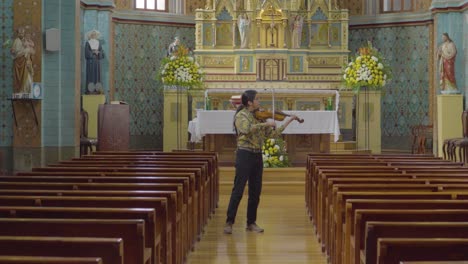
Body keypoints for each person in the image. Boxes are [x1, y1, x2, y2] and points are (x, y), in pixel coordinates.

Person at [224, 90, 298, 234]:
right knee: (238, 189)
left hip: (257, 155)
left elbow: (273, 134)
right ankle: (229, 222)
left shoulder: (260, 116)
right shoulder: (241, 115)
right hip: (244, 154)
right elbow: (245, 129)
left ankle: (251, 222)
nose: (260, 101)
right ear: (249, 102)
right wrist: (265, 124)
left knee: (255, 191)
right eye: (257, 99)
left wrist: (288, 121)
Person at [10, 27, 35, 94]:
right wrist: (22, 51)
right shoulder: (16, 41)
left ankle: (27, 91)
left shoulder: (26, 40)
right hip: (19, 62)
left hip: (26, 62)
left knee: (28, 77)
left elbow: (32, 50)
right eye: (20, 33)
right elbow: (13, 52)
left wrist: (28, 51)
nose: (22, 34)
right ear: (18, 34)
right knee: (20, 78)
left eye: (23, 33)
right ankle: (21, 91)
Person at [85, 29, 104, 94]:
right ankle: (90, 90)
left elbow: (101, 52)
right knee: (91, 74)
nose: (94, 35)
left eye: (95, 34)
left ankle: (98, 90)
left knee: (97, 74)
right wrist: (93, 52)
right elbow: (87, 53)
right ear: (90, 35)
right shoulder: (88, 43)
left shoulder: (99, 43)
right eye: (93, 34)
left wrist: (98, 52)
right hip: (90, 62)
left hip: (97, 61)